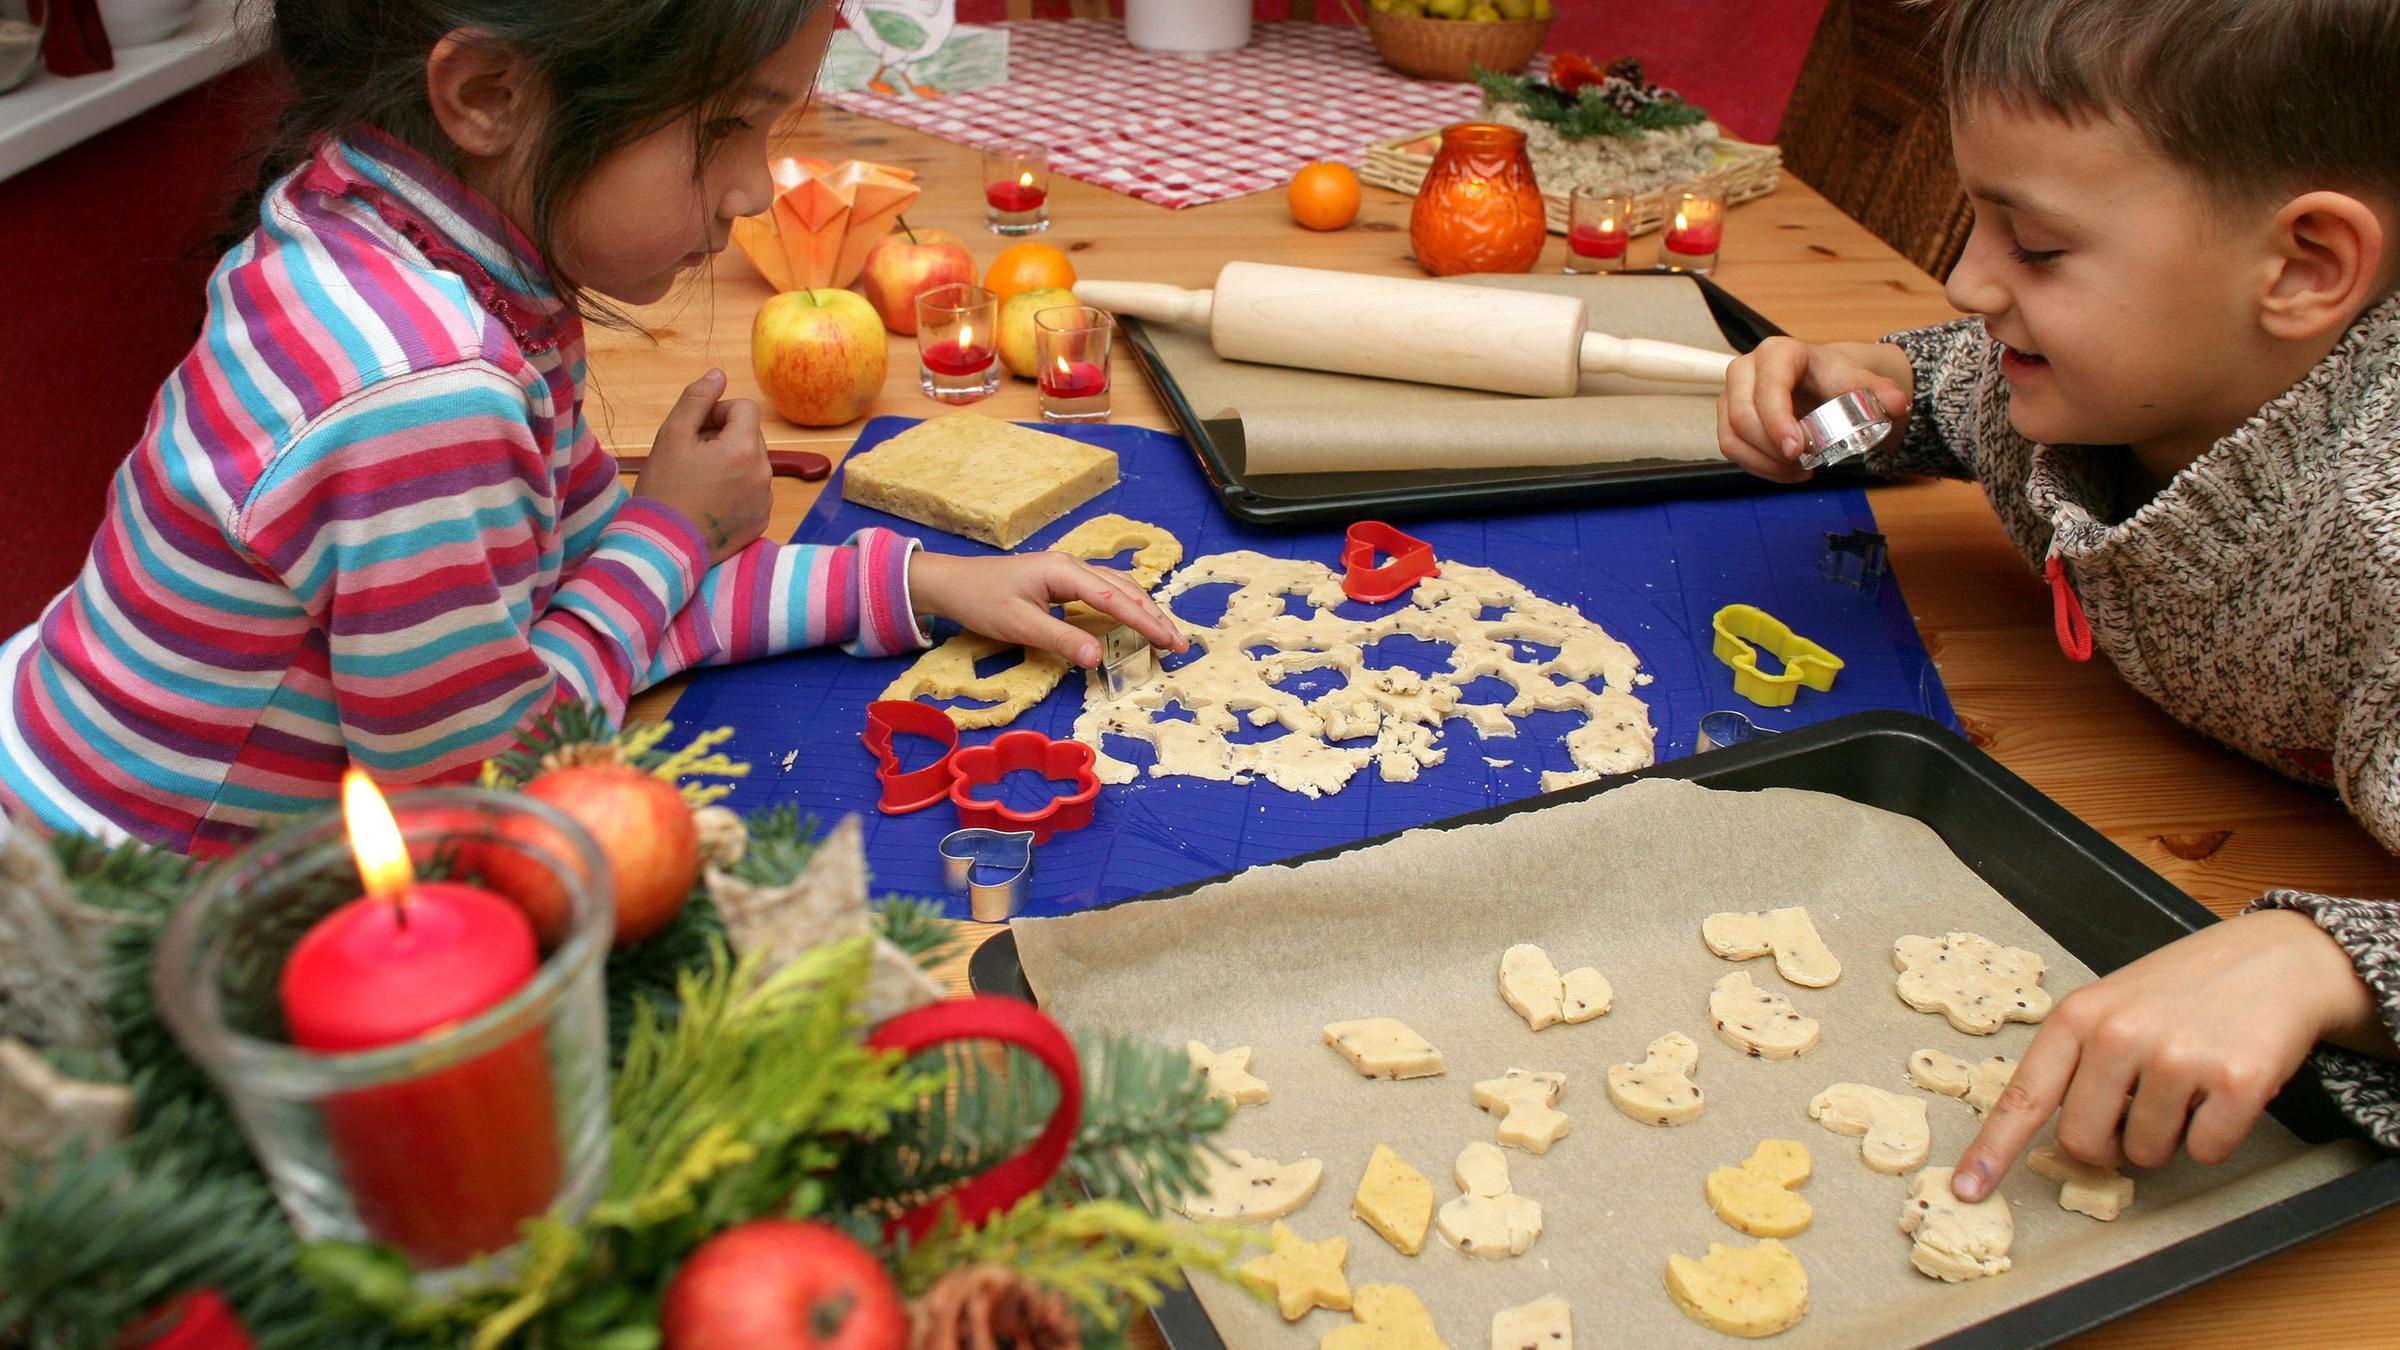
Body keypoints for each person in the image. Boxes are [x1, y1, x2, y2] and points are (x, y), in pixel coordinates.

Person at [0, 0, 1182, 856]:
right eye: (726, 127)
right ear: (490, 95)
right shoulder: (422, 392)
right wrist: (670, 532)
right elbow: (488, 794)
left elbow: (587, 602)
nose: (755, 193)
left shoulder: (414, 230)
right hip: (117, 902)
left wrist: (923, 586)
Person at [1716, 0, 2400, 1194]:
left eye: (2033, 248)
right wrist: (1867, 392)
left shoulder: (2380, 542)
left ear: (2302, 266)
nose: (1967, 280)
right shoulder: (2108, 364)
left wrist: (2327, 963)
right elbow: (1959, 379)